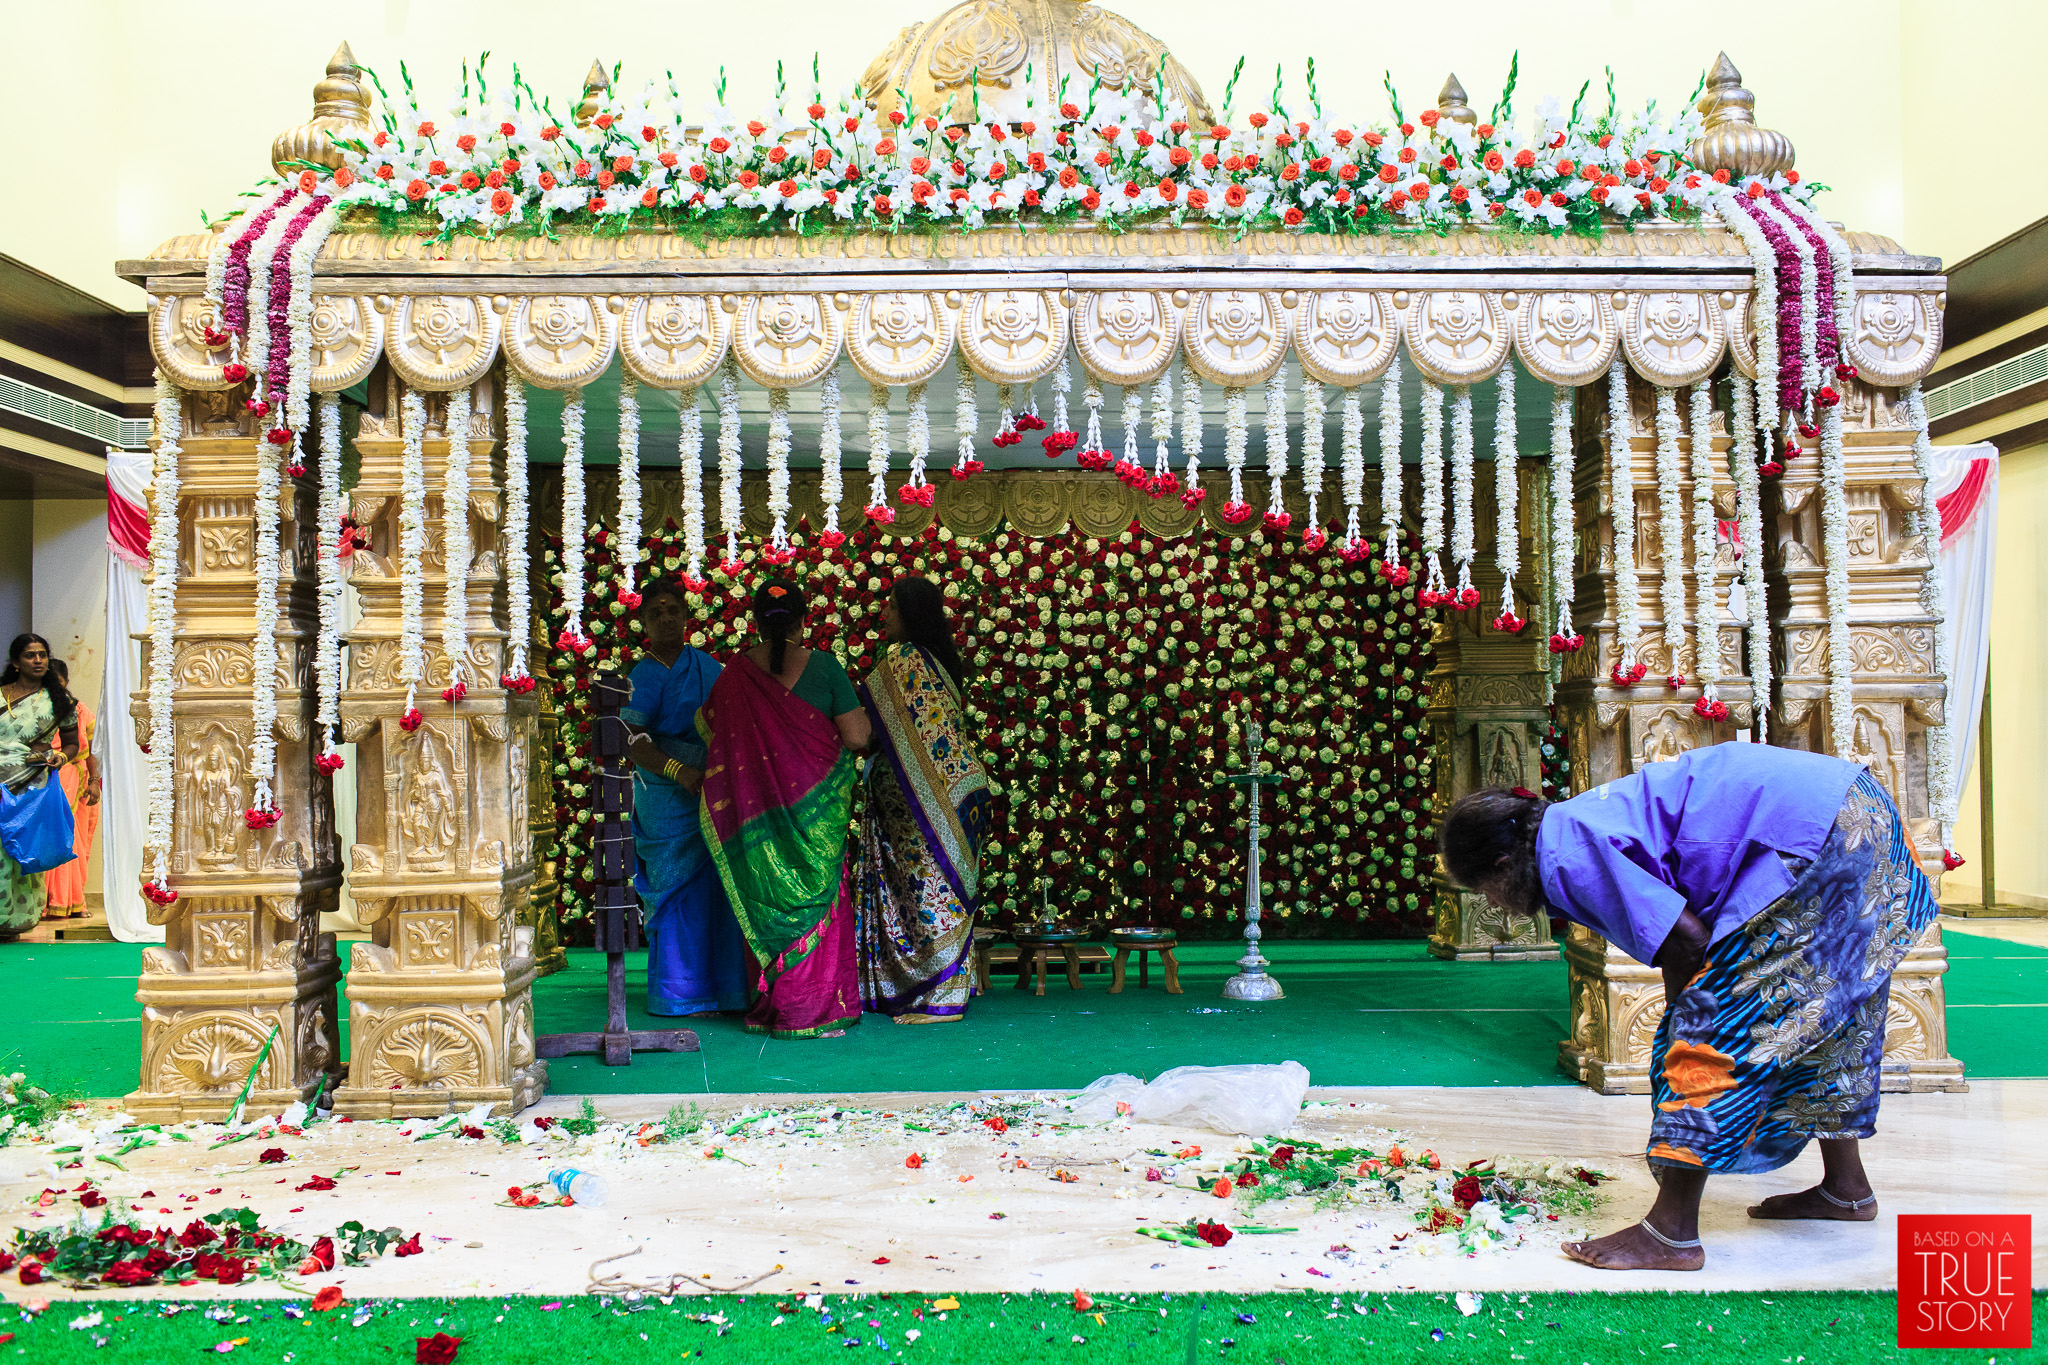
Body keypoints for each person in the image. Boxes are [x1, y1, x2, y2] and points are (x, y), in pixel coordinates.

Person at [1437, 743, 1937, 1272]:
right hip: (1861, 812)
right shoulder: (1569, 824)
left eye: (1485, 891)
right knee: (1832, 1020)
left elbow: (1688, 944)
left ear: (1502, 863)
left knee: (1713, 1037)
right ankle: (1846, 1189)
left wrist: (1686, 1033)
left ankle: (1671, 1232)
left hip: (1813, 836)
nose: (1493, 904)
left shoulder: (1562, 854)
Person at [696, 579, 871, 1039]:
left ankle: (773, 1005)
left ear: (754, 622)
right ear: (803, 619)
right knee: (817, 898)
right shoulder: (826, 668)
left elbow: (714, 734)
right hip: (818, 819)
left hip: (758, 819)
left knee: (767, 897)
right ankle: (814, 1010)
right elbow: (856, 737)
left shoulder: (735, 673)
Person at [854, 578, 991, 1023]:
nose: (884, 615)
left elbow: (867, 732)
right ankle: (931, 986)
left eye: (892, 607)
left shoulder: (906, 660)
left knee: (928, 889)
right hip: (950, 793)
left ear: (910, 613)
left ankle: (943, 999)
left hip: (923, 801)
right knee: (930, 888)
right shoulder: (939, 662)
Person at [622, 578, 747, 1017]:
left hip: (710, 790)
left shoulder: (708, 666)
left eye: (673, 609)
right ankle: (678, 994)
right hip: (664, 796)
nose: (667, 618)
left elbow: (730, 723)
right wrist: (680, 771)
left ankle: (728, 990)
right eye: (656, 612)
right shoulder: (645, 673)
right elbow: (632, 738)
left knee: (718, 885)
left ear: (687, 615)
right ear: (644, 622)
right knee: (675, 889)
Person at [0, 636, 79, 941]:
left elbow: (72, 744)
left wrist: (61, 756)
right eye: (30, 655)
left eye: (43, 655)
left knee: (21, 849)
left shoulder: (59, 701)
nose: (38, 661)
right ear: (16, 661)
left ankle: (13, 921)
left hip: (30, 786)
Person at [41, 661, 100, 920]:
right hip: (42, 777)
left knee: (76, 839)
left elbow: (92, 752)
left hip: (76, 778)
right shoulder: (35, 709)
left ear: (65, 681)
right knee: (46, 837)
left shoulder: (80, 710)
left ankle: (73, 901)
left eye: (58, 681)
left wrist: (94, 781)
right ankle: (44, 902)